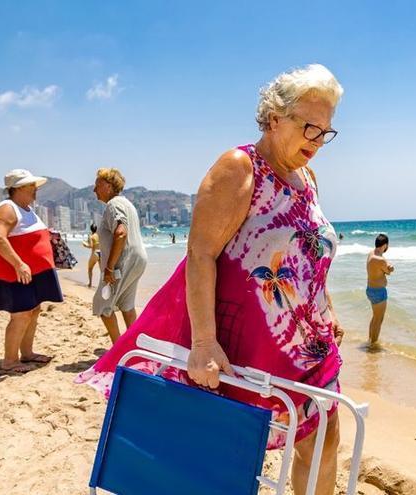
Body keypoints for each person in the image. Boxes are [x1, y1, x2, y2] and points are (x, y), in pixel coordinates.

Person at [77, 64, 345, 494]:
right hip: (249, 346)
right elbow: (201, 253)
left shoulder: (308, 178)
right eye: (309, 126)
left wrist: (326, 309)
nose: (317, 141)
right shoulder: (241, 168)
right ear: (276, 118)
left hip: (308, 346)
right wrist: (203, 343)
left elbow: (309, 254)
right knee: (228, 454)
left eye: (326, 131)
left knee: (324, 441)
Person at [0, 169, 63, 373]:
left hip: (35, 273)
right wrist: (19, 263)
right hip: (18, 273)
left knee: (33, 311)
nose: (35, 189)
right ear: (18, 188)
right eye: (31, 185)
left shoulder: (26, 208)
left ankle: (26, 353)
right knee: (20, 315)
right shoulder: (8, 208)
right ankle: (9, 361)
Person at [92, 168, 148, 343]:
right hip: (137, 260)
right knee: (127, 305)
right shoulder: (127, 204)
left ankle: (118, 348)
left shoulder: (113, 204)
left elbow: (121, 233)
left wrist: (109, 267)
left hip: (123, 262)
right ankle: (136, 346)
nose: (94, 190)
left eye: (97, 185)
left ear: (108, 186)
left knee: (102, 306)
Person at [366, 234, 394, 345]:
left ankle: (370, 340)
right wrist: (391, 268)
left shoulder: (371, 254)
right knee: (379, 319)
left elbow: (380, 267)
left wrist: (388, 266)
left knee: (375, 317)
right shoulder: (380, 259)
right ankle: (373, 344)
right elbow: (388, 271)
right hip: (379, 292)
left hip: (370, 289)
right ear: (385, 245)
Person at [85, 223, 101, 288]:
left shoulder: (91, 236)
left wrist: (84, 244)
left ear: (91, 229)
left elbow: (90, 246)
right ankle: (102, 285)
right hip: (101, 253)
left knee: (90, 268)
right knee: (102, 271)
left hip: (95, 253)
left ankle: (90, 284)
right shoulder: (99, 235)